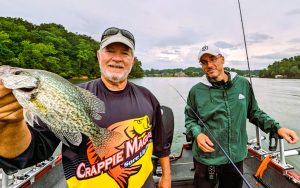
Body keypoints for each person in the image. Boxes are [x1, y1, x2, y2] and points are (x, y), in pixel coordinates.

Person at [0, 27, 171, 188]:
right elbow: (33, 151)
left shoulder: (147, 96)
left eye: (125, 53)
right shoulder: (72, 93)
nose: (117, 58)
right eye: (110, 51)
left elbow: (160, 142)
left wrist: (166, 176)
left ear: (132, 61)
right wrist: (11, 125)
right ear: (98, 56)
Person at [185, 44, 299, 188]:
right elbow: (190, 119)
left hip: (235, 156)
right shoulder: (196, 91)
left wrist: (277, 128)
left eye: (213, 59)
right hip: (207, 159)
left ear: (222, 59)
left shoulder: (243, 84)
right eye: (204, 62)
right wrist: (197, 134)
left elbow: (254, 112)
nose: (209, 65)